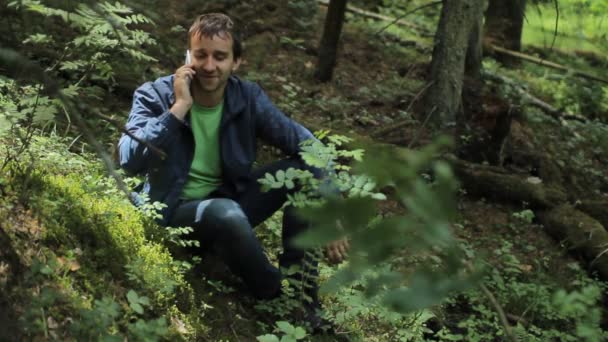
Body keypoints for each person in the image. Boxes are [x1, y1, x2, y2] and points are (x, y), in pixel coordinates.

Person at [117, 13, 349, 331]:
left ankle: (302, 297)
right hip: (171, 214)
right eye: (201, 55)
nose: (209, 66)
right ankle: (277, 293)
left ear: (236, 61)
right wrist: (179, 108)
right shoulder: (155, 95)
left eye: (220, 56)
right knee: (225, 213)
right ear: (188, 57)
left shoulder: (247, 99)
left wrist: (331, 205)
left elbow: (310, 147)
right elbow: (129, 160)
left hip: (230, 202)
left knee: (302, 174)